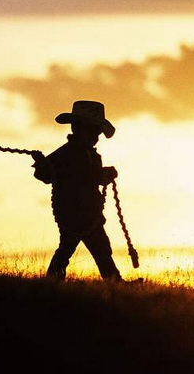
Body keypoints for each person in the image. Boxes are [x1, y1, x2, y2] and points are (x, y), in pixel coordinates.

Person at [31, 100, 122, 281]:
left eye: (97, 132)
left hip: (89, 212)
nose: (96, 137)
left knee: (100, 248)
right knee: (71, 248)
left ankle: (113, 281)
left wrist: (104, 175)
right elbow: (44, 175)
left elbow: (90, 178)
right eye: (93, 131)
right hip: (73, 213)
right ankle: (53, 279)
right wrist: (43, 166)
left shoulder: (92, 156)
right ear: (77, 128)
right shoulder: (65, 153)